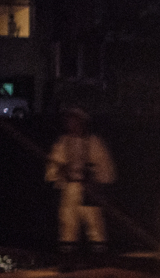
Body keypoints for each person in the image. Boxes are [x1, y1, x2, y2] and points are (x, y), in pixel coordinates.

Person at [45, 106, 116, 256]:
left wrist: (93, 178)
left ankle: (100, 259)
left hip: (89, 191)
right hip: (70, 190)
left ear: (82, 122)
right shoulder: (63, 142)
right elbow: (53, 166)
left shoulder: (94, 142)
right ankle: (67, 258)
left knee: (95, 225)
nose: (70, 124)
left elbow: (106, 168)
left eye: (74, 121)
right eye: (68, 121)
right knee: (67, 225)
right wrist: (60, 171)